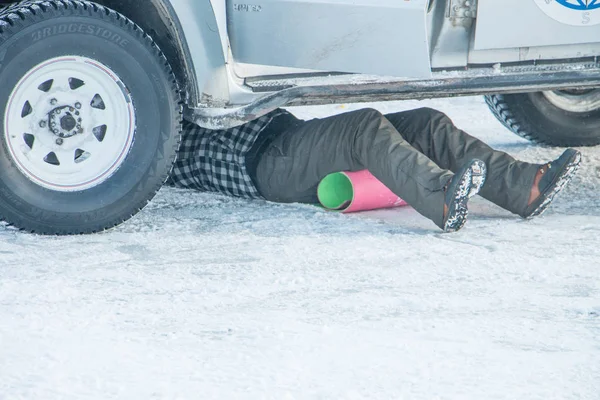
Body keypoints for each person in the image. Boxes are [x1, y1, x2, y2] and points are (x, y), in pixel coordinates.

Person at [168, 107, 581, 232]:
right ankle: (439, 195)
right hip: (265, 163)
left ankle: (522, 185)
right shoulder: (155, 141)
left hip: (289, 138)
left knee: (425, 123)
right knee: (363, 127)